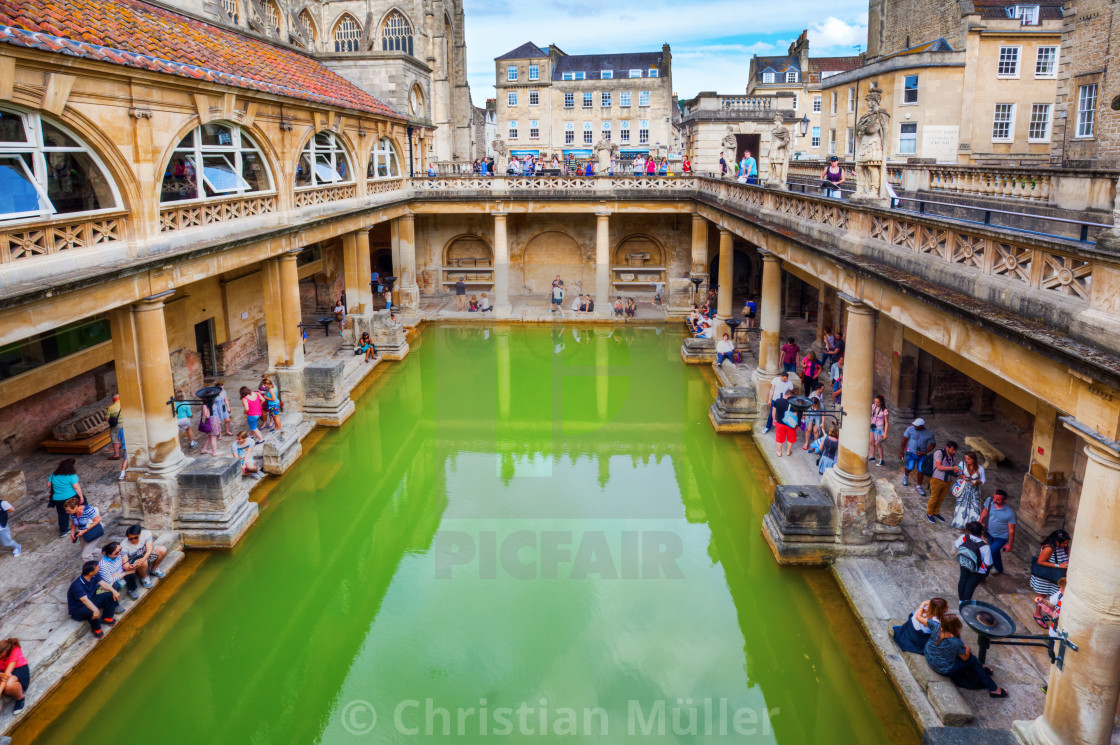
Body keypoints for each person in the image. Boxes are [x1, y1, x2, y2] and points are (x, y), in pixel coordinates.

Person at [924, 614, 1007, 697]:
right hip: (944, 668)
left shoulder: (935, 625)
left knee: (969, 659)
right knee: (971, 659)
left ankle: (983, 668)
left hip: (929, 655)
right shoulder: (955, 641)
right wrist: (968, 648)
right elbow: (965, 657)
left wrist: (923, 604)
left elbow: (919, 617)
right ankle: (994, 689)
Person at [67, 560, 118, 638]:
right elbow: (84, 600)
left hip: (91, 599)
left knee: (110, 595)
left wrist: (114, 591)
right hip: (78, 609)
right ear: (90, 573)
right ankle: (96, 629)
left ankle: (106, 617)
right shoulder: (77, 585)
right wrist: (96, 610)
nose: (99, 568)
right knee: (92, 610)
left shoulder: (94, 575)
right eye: (97, 568)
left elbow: (103, 584)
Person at [979, 489, 1016, 575]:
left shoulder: (1010, 513)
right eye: (994, 498)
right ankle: (999, 568)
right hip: (989, 532)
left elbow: (1011, 530)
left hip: (1001, 537)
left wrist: (1010, 544)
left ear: (1004, 500)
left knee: (991, 552)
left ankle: (983, 573)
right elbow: (985, 511)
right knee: (994, 551)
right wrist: (980, 521)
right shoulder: (990, 500)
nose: (995, 500)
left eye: (998, 499)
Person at [956, 521, 993, 602]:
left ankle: (961, 600)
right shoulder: (985, 547)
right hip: (978, 570)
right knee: (970, 586)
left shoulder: (963, 537)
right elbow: (987, 564)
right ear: (982, 532)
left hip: (964, 563)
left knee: (963, 579)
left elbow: (957, 545)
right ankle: (965, 603)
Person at [122, 524, 167, 590]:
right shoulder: (124, 545)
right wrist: (129, 567)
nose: (133, 540)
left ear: (139, 534)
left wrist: (143, 559)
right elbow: (125, 563)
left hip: (145, 555)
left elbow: (149, 549)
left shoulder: (146, 534)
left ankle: (154, 569)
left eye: (135, 538)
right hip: (135, 561)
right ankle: (144, 577)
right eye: (130, 539)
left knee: (162, 549)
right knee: (143, 562)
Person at [48, 459, 84, 537]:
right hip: (71, 497)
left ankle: (63, 531)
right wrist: (81, 497)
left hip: (57, 499)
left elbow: (48, 484)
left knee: (62, 514)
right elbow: (76, 487)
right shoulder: (72, 476)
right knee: (81, 508)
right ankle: (83, 523)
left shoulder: (53, 475)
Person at [900, 417, 936, 496]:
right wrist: (901, 452)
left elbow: (933, 444)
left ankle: (918, 486)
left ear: (922, 426)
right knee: (909, 467)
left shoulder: (929, 433)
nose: (915, 427)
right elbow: (904, 440)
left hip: (922, 454)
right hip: (911, 452)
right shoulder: (910, 429)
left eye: (917, 426)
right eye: (915, 425)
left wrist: (925, 452)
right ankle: (906, 476)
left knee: (921, 470)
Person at [925, 440, 959, 524]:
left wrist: (956, 470)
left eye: (955, 450)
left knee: (941, 498)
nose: (954, 452)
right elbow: (939, 467)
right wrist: (952, 468)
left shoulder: (953, 456)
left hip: (947, 480)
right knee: (934, 497)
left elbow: (954, 466)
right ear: (947, 448)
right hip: (937, 479)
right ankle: (929, 513)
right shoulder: (939, 453)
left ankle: (936, 512)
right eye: (952, 450)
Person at [1029, 529, 1070, 596]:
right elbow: (1040, 561)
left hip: (1055, 576)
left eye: (1066, 543)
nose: (1065, 545)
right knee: (1041, 596)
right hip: (1046, 577)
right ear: (1056, 541)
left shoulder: (1061, 546)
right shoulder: (1049, 548)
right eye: (1064, 543)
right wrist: (1059, 565)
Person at [950, 450, 985, 529]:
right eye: (966, 458)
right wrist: (962, 476)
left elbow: (983, 480)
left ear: (974, 459)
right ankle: (960, 523)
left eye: (969, 459)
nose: (966, 460)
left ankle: (973, 525)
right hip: (964, 488)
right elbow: (957, 473)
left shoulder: (980, 468)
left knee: (975, 507)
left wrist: (977, 482)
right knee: (962, 505)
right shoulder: (962, 464)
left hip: (974, 490)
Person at [98, 541, 136, 606]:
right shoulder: (103, 565)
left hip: (117, 575)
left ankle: (131, 590)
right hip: (110, 582)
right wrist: (124, 573)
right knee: (114, 585)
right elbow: (109, 580)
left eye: (120, 550)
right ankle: (115, 605)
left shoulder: (118, 556)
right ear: (109, 555)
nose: (119, 553)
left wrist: (119, 573)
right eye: (116, 553)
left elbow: (120, 567)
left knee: (131, 572)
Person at [0, 638, 29, 712]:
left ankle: (20, 698)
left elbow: (6, 675)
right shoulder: (2, 654)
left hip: (18, 669)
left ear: (4, 652)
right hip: (2, 671)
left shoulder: (15, 650)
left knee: (8, 685)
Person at [771, 388, 798, 457]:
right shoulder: (794, 404)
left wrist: (774, 419)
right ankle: (788, 452)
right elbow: (795, 416)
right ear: (790, 396)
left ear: (785, 394)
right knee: (790, 438)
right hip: (790, 424)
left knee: (779, 439)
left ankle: (779, 452)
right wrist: (797, 424)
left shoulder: (777, 401)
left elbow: (773, 411)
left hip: (780, 423)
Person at [869, 394, 890, 466]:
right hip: (872, 426)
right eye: (875, 401)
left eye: (877, 402)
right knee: (871, 442)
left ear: (881, 402)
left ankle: (881, 459)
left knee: (877, 443)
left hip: (879, 427)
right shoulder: (873, 406)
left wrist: (885, 433)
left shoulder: (884, 410)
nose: (876, 403)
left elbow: (886, 422)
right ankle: (872, 456)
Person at [106, 393, 123, 460]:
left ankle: (116, 455)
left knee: (114, 436)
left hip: (118, 424)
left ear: (113, 399)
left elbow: (106, 419)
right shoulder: (124, 404)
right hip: (126, 423)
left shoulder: (111, 408)